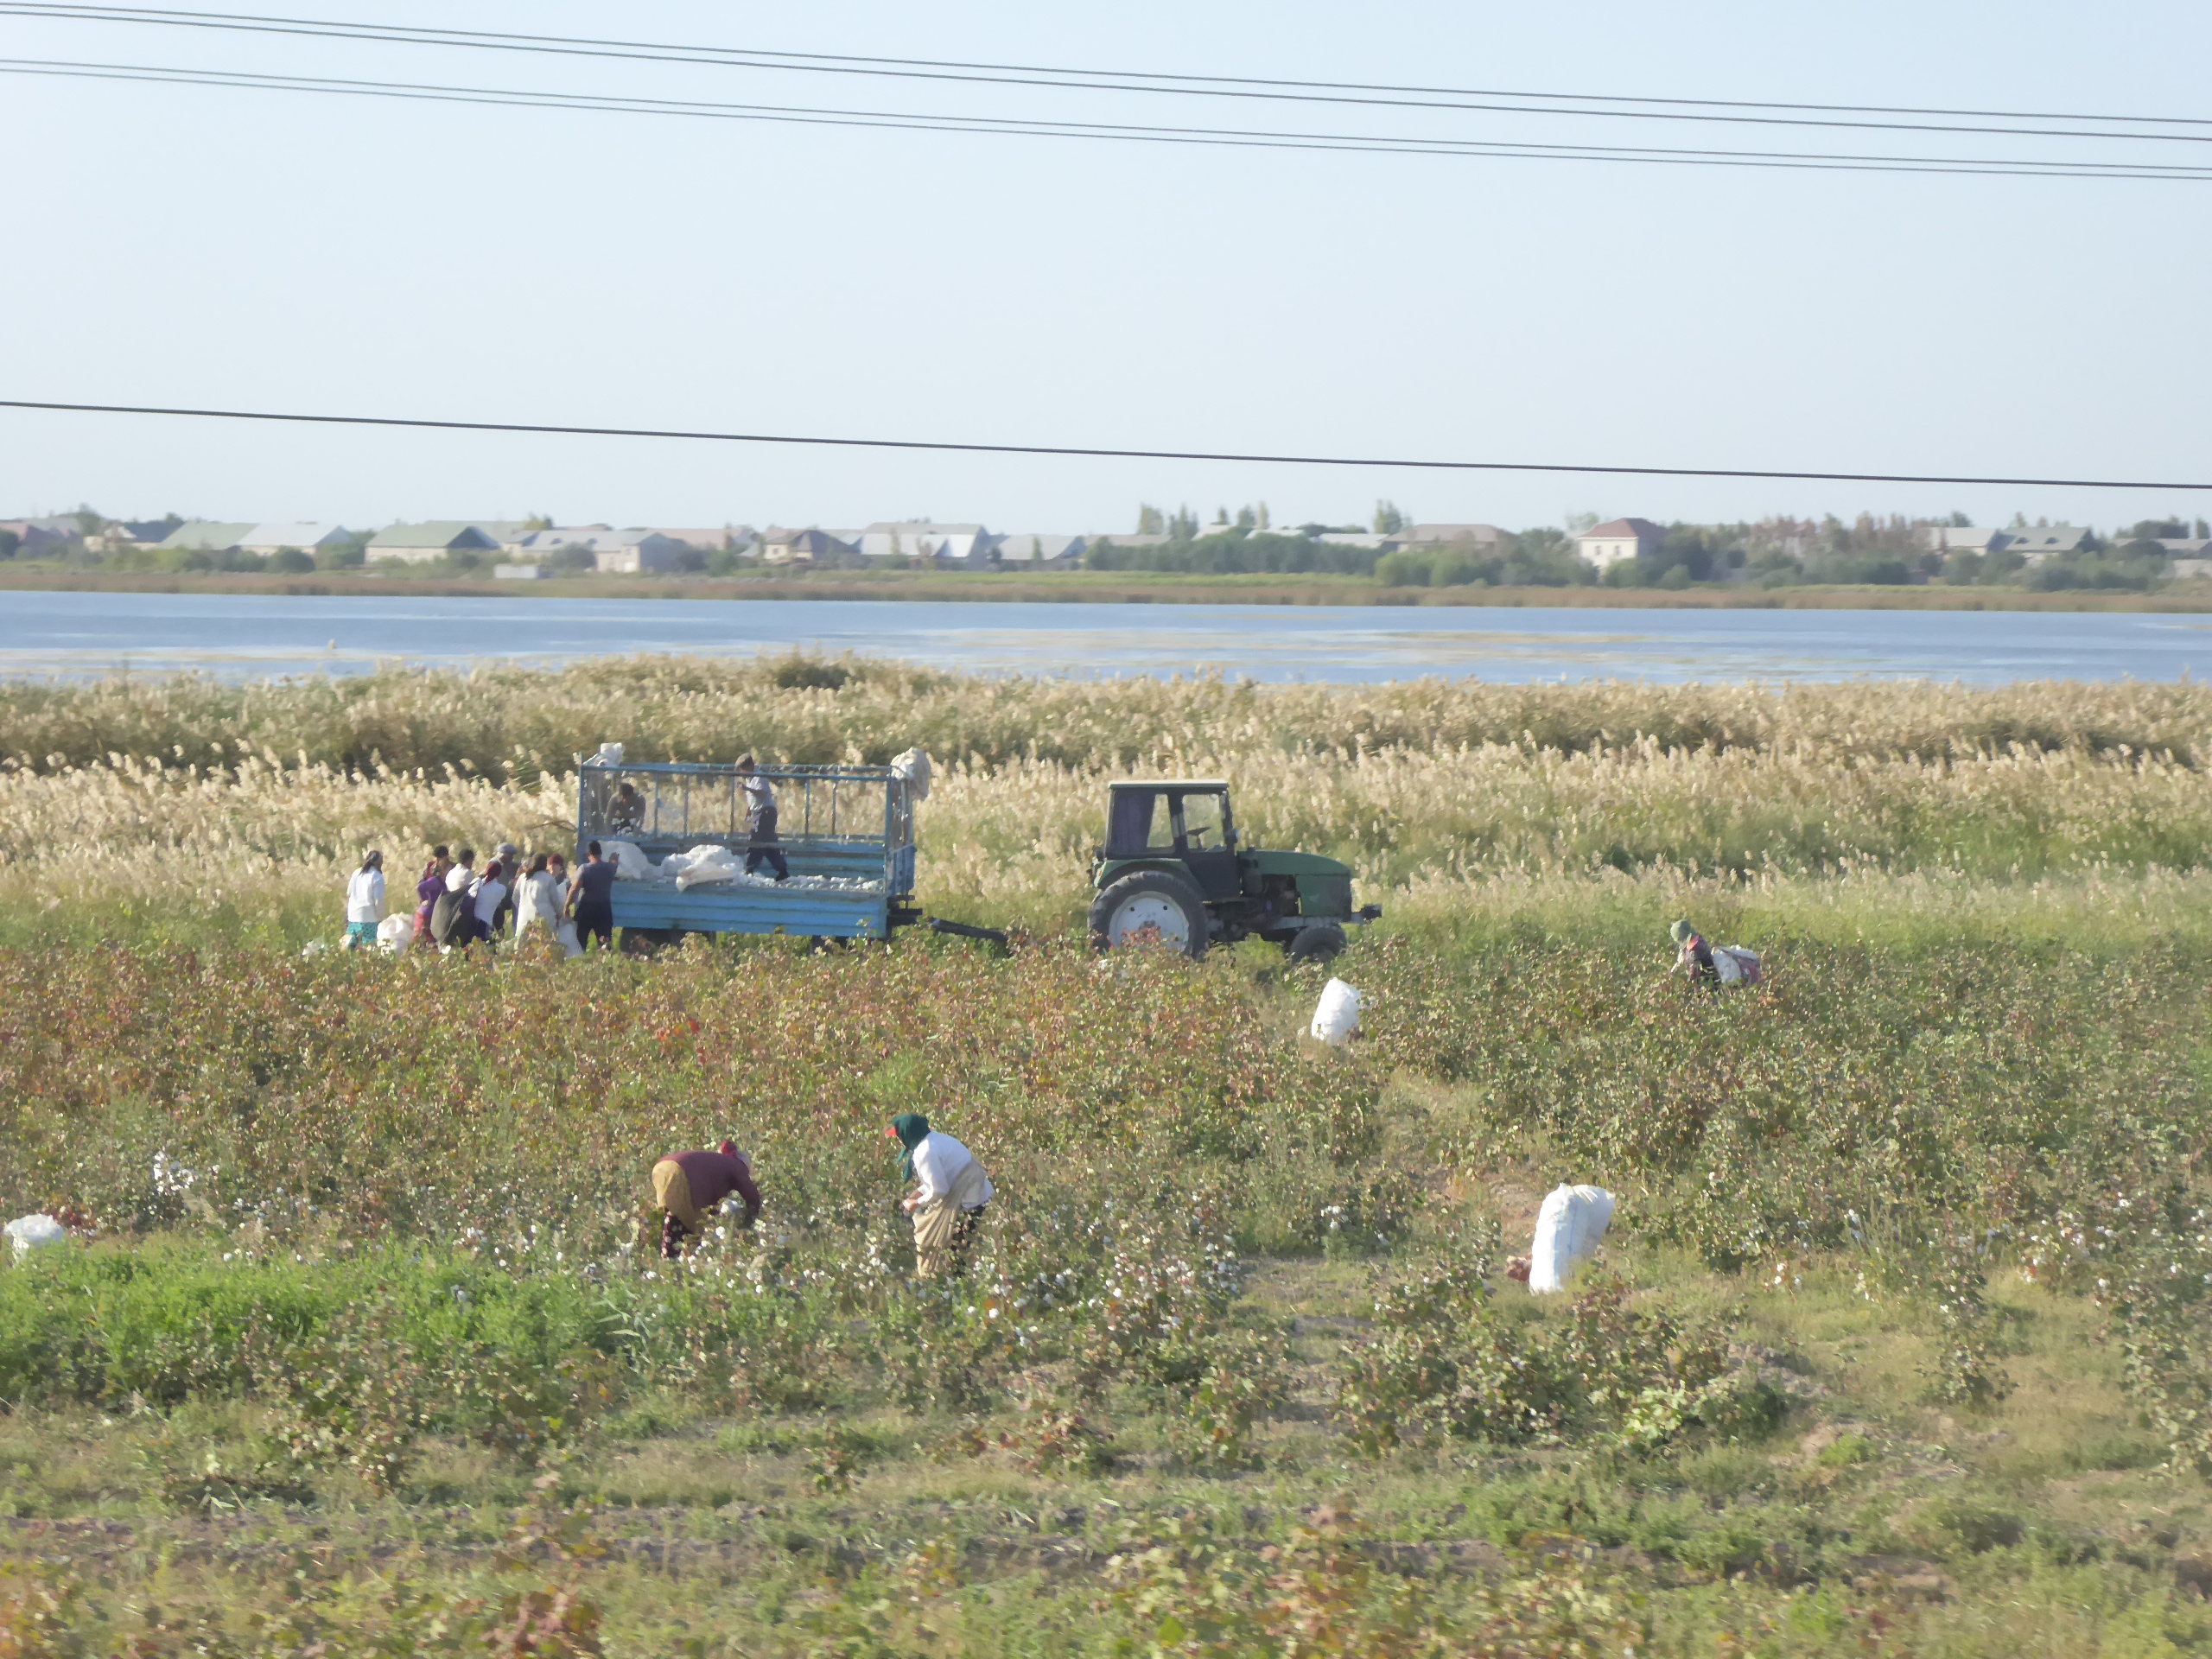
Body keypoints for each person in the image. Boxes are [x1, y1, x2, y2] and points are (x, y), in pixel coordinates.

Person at [889, 1113, 993, 1278]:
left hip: (968, 1203)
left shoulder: (924, 1152)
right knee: (965, 1249)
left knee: (955, 1253)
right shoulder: (938, 1139)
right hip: (980, 1195)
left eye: (898, 1137)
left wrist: (916, 1204)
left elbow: (939, 1190)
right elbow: (943, 1178)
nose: (898, 1141)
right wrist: (917, 1194)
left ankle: (945, 1282)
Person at [651, 1139, 761, 1258]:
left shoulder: (718, 1162)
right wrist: (753, 1216)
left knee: (677, 1216)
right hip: (679, 1173)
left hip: (662, 1168)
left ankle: (672, 1257)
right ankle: (675, 1260)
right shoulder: (737, 1166)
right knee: (691, 1225)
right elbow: (751, 1195)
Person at [736, 755, 790, 881]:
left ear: (749, 767)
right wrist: (749, 812)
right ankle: (782, 870)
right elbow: (753, 800)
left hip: (765, 813)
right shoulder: (750, 779)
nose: (741, 773)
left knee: (755, 839)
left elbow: (762, 793)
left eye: (743, 769)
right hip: (760, 812)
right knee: (768, 844)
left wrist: (746, 788)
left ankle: (749, 869)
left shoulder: (759, 778)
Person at [569, 841, 618, 953]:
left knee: (580, 942)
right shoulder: (610, 868)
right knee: (605, 943)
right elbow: (615, 863)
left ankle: (579, 959)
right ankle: (606, 961)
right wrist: (614, 858)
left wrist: (567, 906)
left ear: (588, 854)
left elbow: (575, 888)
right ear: (601, 853)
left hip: (586, 908)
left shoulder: (584, 869)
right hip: (604, 909)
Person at [342, 849, 385, 949]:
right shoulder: (377, 876)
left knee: (350, 947)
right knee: (369, 948)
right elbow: (379, 901)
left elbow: (349, 893)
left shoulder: (356, 873)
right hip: (369, 919)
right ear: (380, 863)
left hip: (353, 916)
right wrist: (381, 918)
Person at [412, 847, 450, 951]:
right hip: (427, 914)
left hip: (434, 913)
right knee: (425, 942)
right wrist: (425, 900)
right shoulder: (434, 879)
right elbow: (420, 887)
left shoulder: (449, 871)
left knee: (428, 942)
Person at [468, 857, 509, 949]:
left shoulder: (476, 882)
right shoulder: (501, 889)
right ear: (499, 874)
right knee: (483, 950)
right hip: (485, 923)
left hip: (470, 921)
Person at [1670, 918, 1719, 988]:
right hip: (1708, 978)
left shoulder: (1696, 949)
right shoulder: (1696, 940)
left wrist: (1689, 984)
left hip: (1709, 981)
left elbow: (1695, 972)